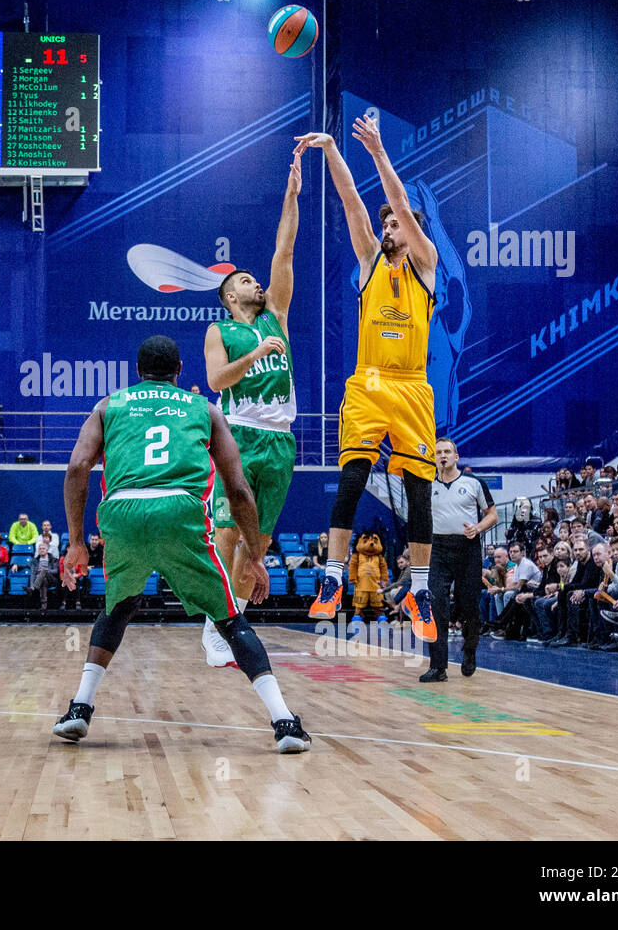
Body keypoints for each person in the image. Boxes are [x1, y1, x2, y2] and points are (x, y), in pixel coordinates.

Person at [53, 335, 310, 753]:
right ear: (179, 371)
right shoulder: (204, 409)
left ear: (138, 373)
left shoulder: (109, 405)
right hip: (180, 509)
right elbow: (239, 489)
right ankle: (284, 722)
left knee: (118, 609)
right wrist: (255, 556)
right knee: (229, 621)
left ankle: (79, 709)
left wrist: (77, 542)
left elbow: (78, 466)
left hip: (122, 510)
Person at [298, 116, 439, 643]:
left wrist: (380, 153)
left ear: (412, 231)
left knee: (419, 493)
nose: (387, 228)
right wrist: (333, 149)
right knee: (353, 480)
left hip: (413, 386)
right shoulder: (369, 262)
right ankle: (333, 580)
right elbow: (351, 200)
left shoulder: (424, 264)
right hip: (370, 383)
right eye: (384, 226)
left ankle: (420, 589)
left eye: (395, 225)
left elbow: (398, 203)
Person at [199, 151, 303, 668]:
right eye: (244, 281)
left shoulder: (276, 315)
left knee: (257, 543)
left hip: (280, 439)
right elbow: (217, 380)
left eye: (253, 280)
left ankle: (233, 620)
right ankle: (214, 623)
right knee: (226, 531)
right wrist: (257, 353)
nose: (255, 283)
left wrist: (292, 192)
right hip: (239, 433)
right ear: (228, 296)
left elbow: (284, 251)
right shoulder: (222, 330)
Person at [424, 438, 497, 681]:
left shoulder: (474, 483)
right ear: (433, 458)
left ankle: (470, 650)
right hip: (438, 549)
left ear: (457, 456)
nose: (442, 456)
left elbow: (492, 515)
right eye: (438, 453)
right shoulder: (426, 485)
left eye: (447, 452)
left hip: (467, 548)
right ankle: (438, 667)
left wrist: (477, 528)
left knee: (468, 607)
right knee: (435, 607)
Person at [26, 537, 61, 610]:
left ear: (47, 550)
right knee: (43, 581)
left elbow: (56, 571)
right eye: (40, 549)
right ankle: (43, 605)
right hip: (42, 580)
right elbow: (31, 572)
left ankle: (33, 588)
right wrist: (16, 565)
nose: (41, 550)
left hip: (52, 580)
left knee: (44, 571)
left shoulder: (53, 559)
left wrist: (46, 570)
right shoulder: (35, 561)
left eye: (43, 548)